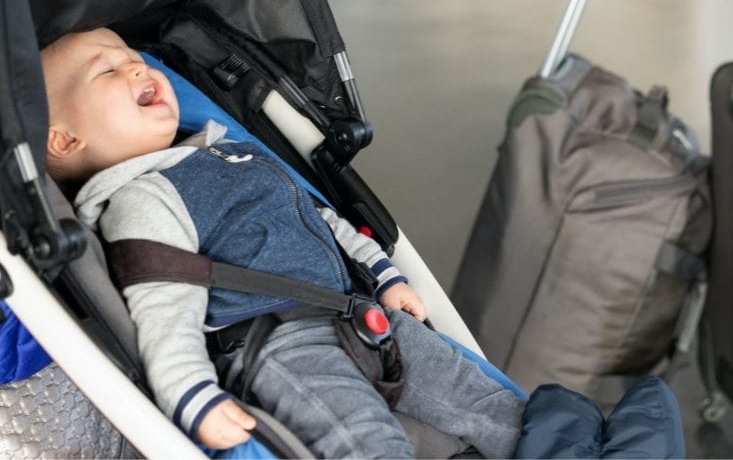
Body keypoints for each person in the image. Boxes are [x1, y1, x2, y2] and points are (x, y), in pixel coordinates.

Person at [41, 28, 525, 458]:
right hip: (281, 347)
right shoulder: (142, 197)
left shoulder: (230, 152)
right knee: (363, 442)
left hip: (360, 314)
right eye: (105, 69)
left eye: (135, 57)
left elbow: (321, 220)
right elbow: (166, 308)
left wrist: (383, 272)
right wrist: (190, 394)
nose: (133, 64)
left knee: (495, 411)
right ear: (63, 141)